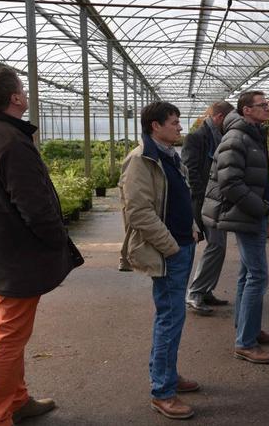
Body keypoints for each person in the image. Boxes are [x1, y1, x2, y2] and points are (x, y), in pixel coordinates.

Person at [0, 66, 84, 426]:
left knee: (11, 330)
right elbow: (33, 204)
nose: (26, 93)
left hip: (1, 250)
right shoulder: (10, 140)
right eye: (22, 88)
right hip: (16, 255)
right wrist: (56, 239)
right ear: (15, 98)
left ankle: (16, 400)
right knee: (10, 336)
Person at [119, 101, 201, 420]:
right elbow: (139, 212)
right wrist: (171, 246)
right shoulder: (141, 160)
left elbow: (180, 195)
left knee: (173, 317)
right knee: (169, 318)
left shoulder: (168, 156)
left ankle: (168, 374)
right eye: (174, 122)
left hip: (181, 245)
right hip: (169, 252)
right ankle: (162, 391)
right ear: (155, 126)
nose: (180, 127)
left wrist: (192, 228)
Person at [201, 90, 269, 364]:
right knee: (258, 276)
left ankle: (248, 328)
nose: (268, 108)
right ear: (247, 110)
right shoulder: (237, 137)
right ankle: (245, 343)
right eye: (262, 105)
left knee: (248, 273)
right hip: (247, 214)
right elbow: (230, 183)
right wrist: (258, 208)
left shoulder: (251, 133)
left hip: (250, 213)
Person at [182, 101, 234, 315]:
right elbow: (190, 170)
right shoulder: (196, 137)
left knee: (219, 246)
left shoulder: (217, 136)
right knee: (216, 245)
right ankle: (195, 292)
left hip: (218, 201)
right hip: (206, 201)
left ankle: (205, 290)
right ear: (219, 117)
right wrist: (203, 197)